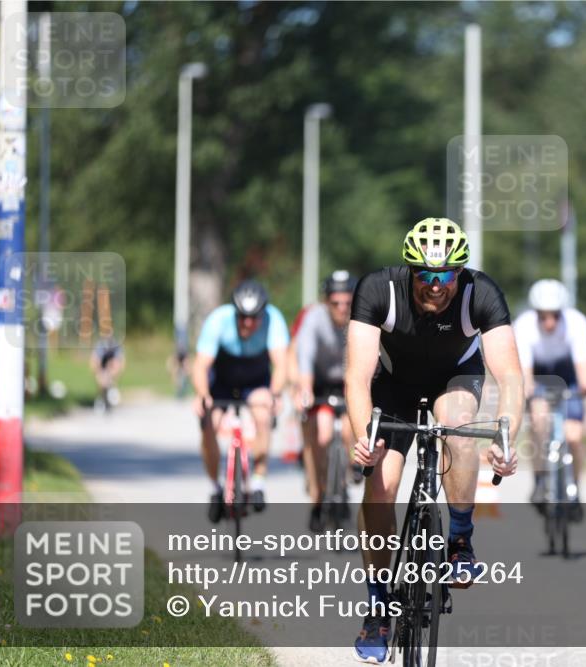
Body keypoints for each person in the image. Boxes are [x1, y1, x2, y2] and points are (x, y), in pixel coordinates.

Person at [346, 218, 522, 663]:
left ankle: (460, 540)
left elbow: (511, 375)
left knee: (461, 432)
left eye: (445, 275)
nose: (436, 285)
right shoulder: (377, 290)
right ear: (410, 272)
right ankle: (378, 606)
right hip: (393, 385)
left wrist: (505, 436)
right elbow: (357, 375)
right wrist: (364, 435)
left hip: (454, 378)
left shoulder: (480, 293)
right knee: (380, 485)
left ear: (459, 274)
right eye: (425, 274)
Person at [192, 279, 289, 521]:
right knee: (209, 424)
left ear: (262, 314)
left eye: (254, 317)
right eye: (242, 317)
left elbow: (281, 364)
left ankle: (258, 481)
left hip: (255, 381)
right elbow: (201, 365)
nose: (247, 323)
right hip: (222, 382)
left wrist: (276, 394)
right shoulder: (218, 320)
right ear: (234, 312)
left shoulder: (273, 319)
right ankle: (215, 488)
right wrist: (203, 394)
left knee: (263, 414)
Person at [513, 279, 586, 520]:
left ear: (563, 312)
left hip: (567, 373)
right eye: (543, 316)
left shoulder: (576, 322)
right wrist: (527, 391)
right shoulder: (524, 325)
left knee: (574, 435)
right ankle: (541, 479)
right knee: (540, 421)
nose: (549, 322)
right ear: (535, 313)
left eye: (554, 316)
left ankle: (574, 489)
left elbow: (584, 366)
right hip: (539, 374)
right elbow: (525, 373)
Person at [290, 270, 358, 532]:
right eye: (336, 303)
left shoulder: (360, 319)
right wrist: (304, 389)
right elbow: (304, 356)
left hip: (349, 383)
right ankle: (318, 495)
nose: (342, 308)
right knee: (321, 432)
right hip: (319, 383)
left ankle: (351, 467)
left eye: (347, 303)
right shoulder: (314, 319)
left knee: (351, 429)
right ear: (326, 301)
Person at [90, 335, 125, 409]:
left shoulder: (116, 347)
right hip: (102, 366)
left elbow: (120, 362)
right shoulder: (100, 347)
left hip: (111, 366)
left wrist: (112, 376)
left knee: (115, 367)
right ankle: (101, 398)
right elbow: (94, 361)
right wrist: (99, 374)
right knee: (101, 381)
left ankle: (112, 390)